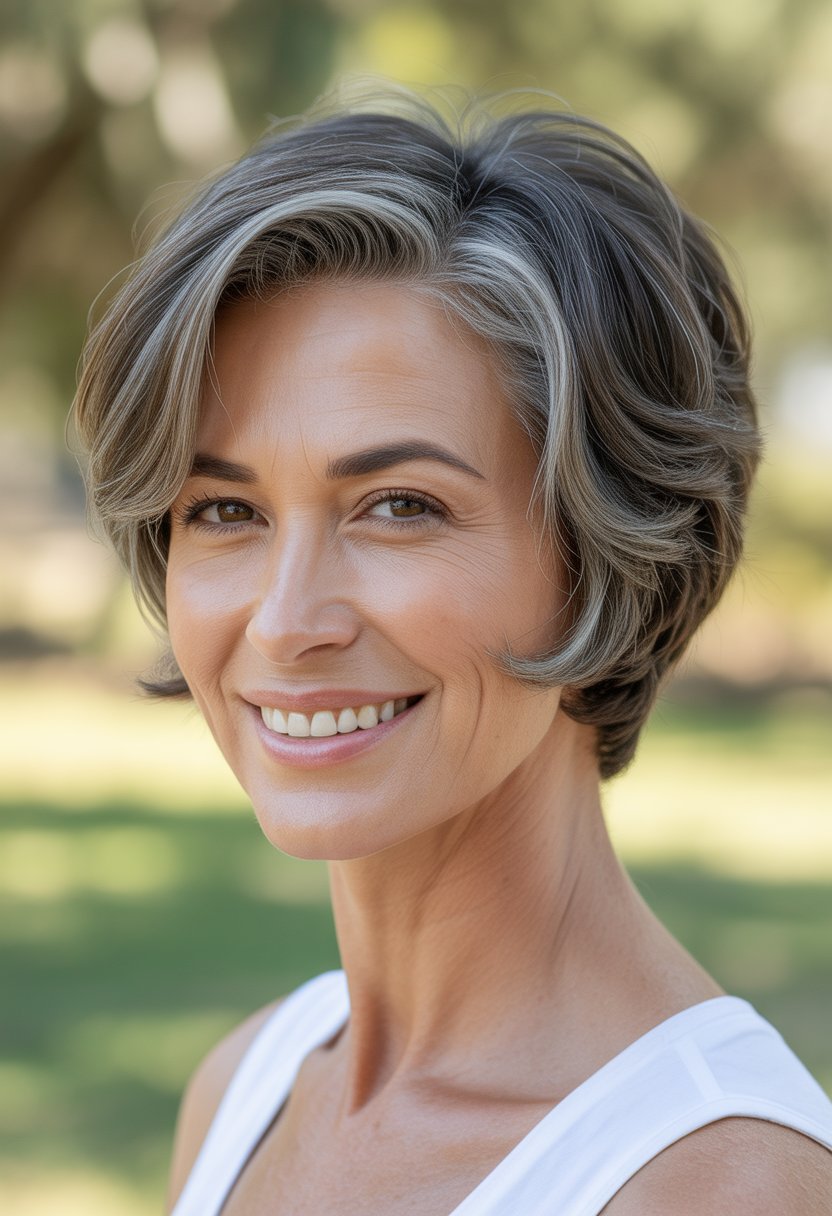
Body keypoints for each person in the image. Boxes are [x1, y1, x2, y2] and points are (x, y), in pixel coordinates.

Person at [72, 82, 832, 1214]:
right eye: (225, 511)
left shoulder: (720, 1184)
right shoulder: (246, 1088)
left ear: (611, 547)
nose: (286, 620)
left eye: (399, 506)